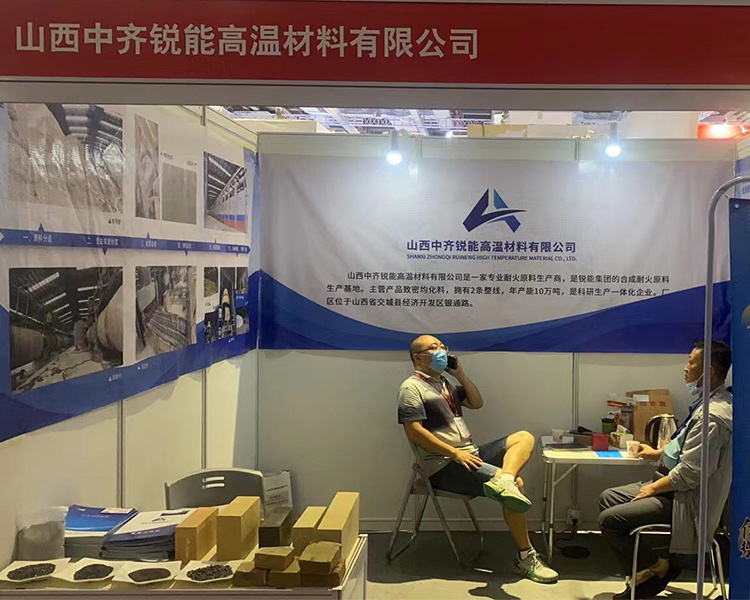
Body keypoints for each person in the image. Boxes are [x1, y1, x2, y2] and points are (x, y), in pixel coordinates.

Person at [397, 334, 558, 584]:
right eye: (433, 348)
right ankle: (526, 558)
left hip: (469, 455)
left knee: (524, 437)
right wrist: (454, 453)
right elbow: (414, 431)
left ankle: (504, 479)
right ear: (418, 357)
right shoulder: (411, 388)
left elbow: (477, 402)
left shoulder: (445, 384)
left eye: (442, 347)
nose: (441, 351)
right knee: (518, 487)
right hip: (443, 465)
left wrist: (460, 375)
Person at [598, 340, 733, 599]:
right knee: (608, 497)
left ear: (709, 371)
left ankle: (656, 570)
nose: (685, 368)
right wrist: (657, 453)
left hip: (686, 498)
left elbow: (691, 473)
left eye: (691, 362)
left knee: (610, 521)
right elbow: (686, 448)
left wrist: (652, 489)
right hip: (672, 486)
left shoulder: (712, 417)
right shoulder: (707, 403)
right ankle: (651, 568)